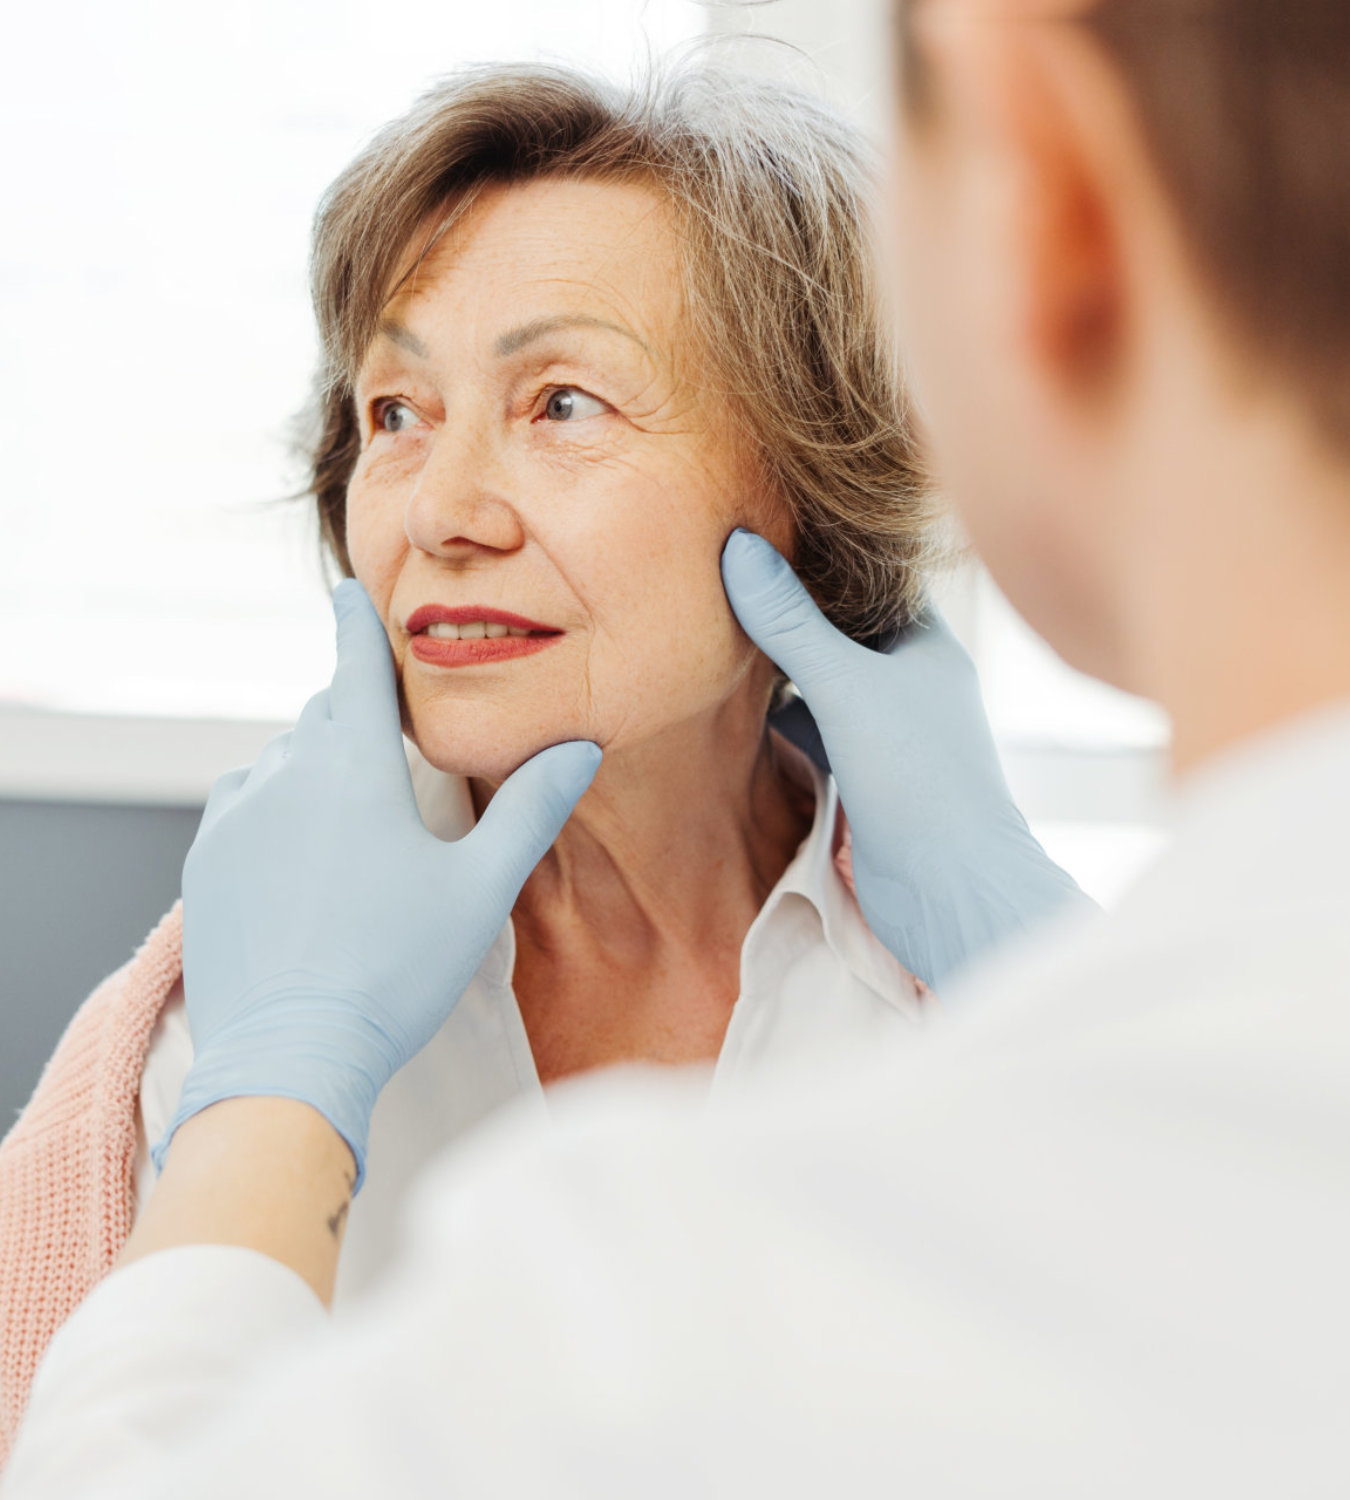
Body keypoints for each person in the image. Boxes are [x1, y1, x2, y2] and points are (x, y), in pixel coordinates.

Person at [11, 0, 1349, 1490]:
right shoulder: (237, 1015)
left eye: (561, 403)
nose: (443, 511)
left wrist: (1031, 964)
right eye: (394, 410)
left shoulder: (981, 999)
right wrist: (266, 1069)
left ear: (802, 479)